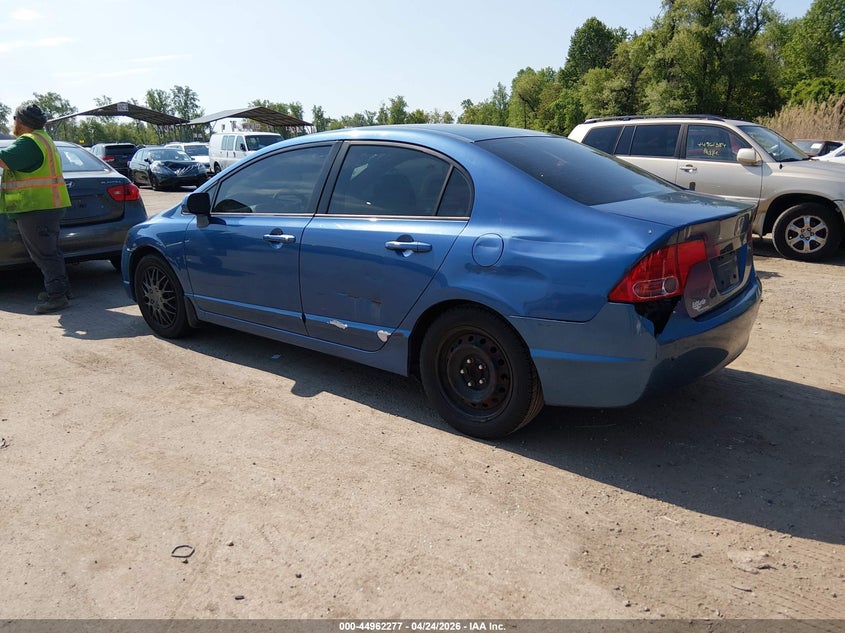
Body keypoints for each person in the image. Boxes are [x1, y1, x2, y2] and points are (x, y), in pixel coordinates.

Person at [0, 101, 72, 313]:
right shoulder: (43, 139)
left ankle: (57, 296)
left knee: (44, 254)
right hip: (47, 205)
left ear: (21, 122)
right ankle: (61, 290)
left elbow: (4, 160)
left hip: (36, 207)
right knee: (50, 252)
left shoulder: (28, 141)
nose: (13, 123)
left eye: (14, 119)